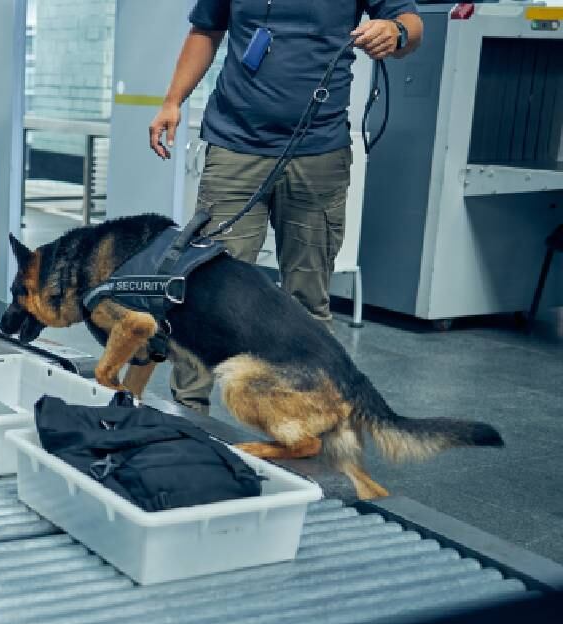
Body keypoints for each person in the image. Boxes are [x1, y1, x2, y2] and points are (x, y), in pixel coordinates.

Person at [149, 0, 423, 413]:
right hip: (234, 145)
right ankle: (187, 414)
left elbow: (411, 22)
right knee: (207, 288)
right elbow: (205, 30)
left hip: (318, 150)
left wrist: (397, 33)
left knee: (307, 299)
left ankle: (308, 418)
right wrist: (173, 100)